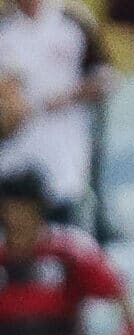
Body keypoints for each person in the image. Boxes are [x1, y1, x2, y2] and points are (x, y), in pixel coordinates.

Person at [0, 171, 133, 335]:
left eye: (24, 209)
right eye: (11, 210)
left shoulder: (70, 252)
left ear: (39, 209)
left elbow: (117, 293)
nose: (18, 218)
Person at [0, 0, 116, 219]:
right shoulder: (4, 27)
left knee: (65, 235)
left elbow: (107, 78)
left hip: (63, 160)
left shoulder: (73, 20)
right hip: (12, 163)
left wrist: (63, 98)